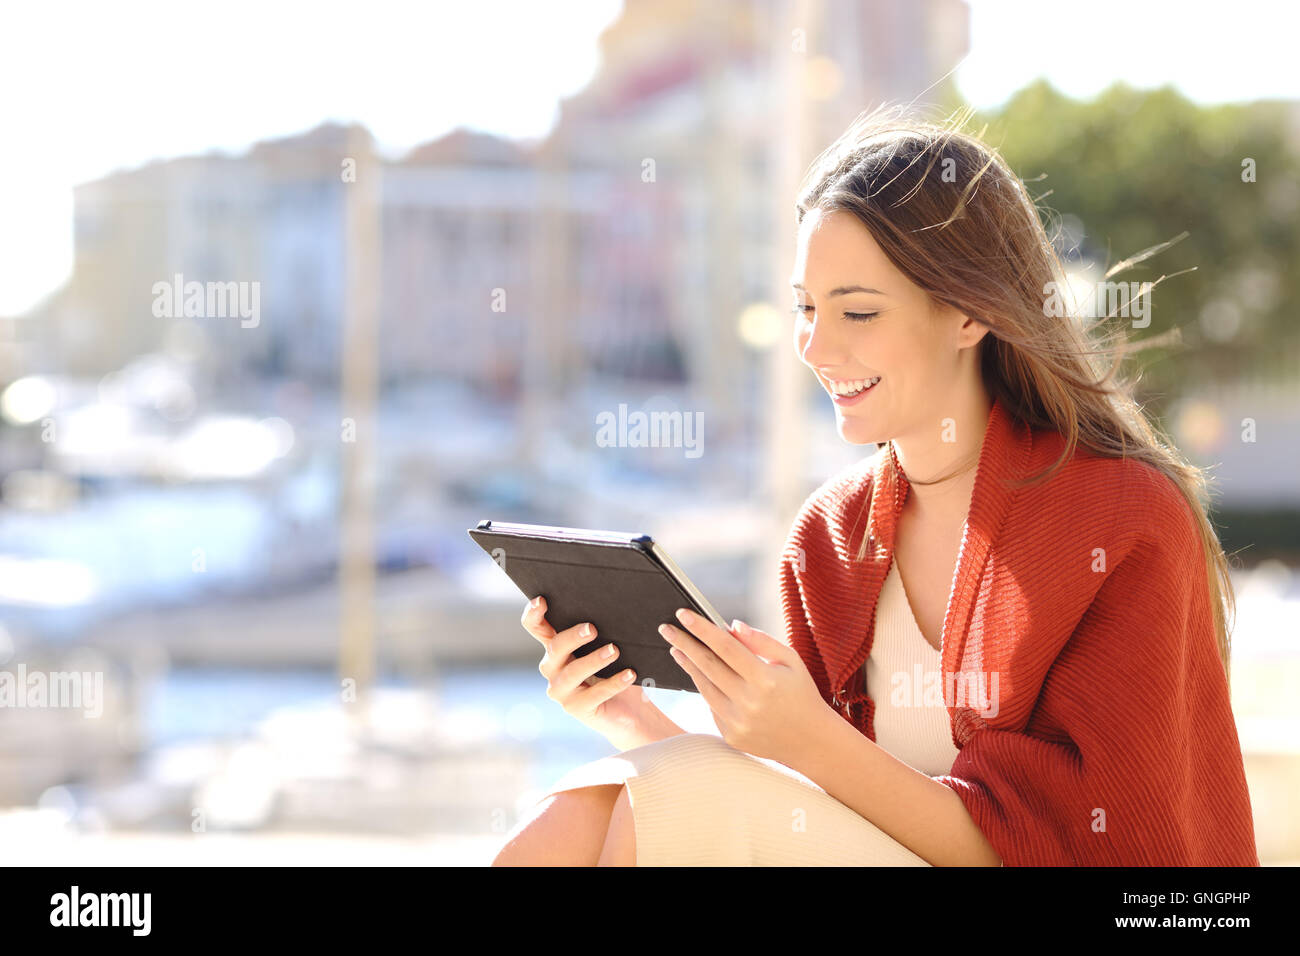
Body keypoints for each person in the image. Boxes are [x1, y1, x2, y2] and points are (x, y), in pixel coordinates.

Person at [490, 105, 1259, 867]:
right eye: (804, 308)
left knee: (671, 797)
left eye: (857, 310)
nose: (818, 346)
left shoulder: (1121, 519)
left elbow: (1073, 845)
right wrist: (634, 718)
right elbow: (804, 819)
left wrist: (809, 738)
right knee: (587, 807)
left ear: (968, 314)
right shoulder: (831, 534)